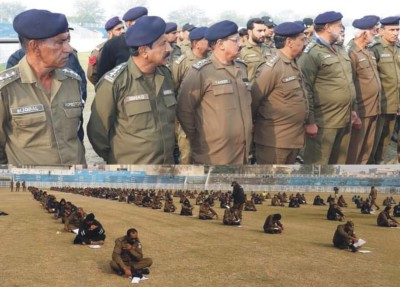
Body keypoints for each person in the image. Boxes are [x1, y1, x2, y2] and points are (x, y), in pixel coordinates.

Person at [0, 9, 86, 165]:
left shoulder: (72, 81)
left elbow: (77, 133)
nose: (69, 49)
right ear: (35, 46)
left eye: (68, 40)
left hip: (75, 182)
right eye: (61, 42)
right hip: (31, 186)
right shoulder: (6, 89)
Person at [87, 16, 176, 164]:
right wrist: (117, 161)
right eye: (163, 44)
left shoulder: (165, 75)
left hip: (165, 167)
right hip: (131, 173)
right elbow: (98, 133)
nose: (170, 48)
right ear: (143, 51)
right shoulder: (115, 82)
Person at [177, 20, 253, 164]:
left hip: (242, 152)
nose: (241, 43)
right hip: (214, 154)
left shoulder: (242, 68)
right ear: (220, 44)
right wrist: (199, 138)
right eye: (236, 40)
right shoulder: (201, 72)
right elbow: (184, 110)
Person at [298, 11, 360, 164]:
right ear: (327, 27)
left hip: (345, 118)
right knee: (317, 166)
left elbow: (348, 83)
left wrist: (353, 109)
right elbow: (306, 89)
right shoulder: (311, 53)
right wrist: (310, 121)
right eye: (338, 26)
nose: (341, 29)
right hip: (325, 122)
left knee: (338, 163)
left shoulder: (339, 49)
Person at [251, 22, 308, 164]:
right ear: (289, 42)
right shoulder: (272, 67)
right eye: (302, 40)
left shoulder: (294, 62)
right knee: (271, 182)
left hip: (293, 138)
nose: (305, 43)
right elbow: (254, 100)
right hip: (275, 141)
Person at [345, 16, 381, 164]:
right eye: (375, 30)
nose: (377, 33)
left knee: (367, 147)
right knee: (355, 148)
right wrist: (354, 111)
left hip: (373, 108)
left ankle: (362, 177)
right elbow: (349, 84)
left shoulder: (368, 51)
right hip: (361, 110)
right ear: (364, 33)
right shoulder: (350, 53)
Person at [172, 27, 209, 164]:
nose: (210, 41)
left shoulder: (212, 60)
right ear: (196, 43)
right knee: (187, 155)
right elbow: (173, 88)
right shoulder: (182, 62)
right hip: (187, 116)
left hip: (207, 116)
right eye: (206, 39)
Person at [368, 16, 400, 164]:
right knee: (373, 142)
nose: (395, 33)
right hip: (380, 104)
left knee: (386, 140)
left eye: (397, 30)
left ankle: (378, 167)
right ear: (381, 31)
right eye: (391, 30)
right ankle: (369, 168)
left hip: (395, 103)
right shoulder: (375, 49)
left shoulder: (398, 48)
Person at [96, 6, 148, 80]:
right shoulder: (112, 45)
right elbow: (103, 77)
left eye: (146, 20)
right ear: (128, 23)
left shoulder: (155, 40)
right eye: (139, 21)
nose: (122, 31)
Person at [87, 16, 124, 85]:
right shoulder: (99, 51)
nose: (122, 31)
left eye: (123, 28)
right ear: (110, 33)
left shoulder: (128, 46)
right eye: (118, 29)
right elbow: (91, 75)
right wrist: (104, 88)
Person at [239, 18, 270, 83]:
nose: (263, 34)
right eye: (259, 31)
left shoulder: (270, 49)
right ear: (249, 32)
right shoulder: (241, 51)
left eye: (264, 30)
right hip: (251, 91)